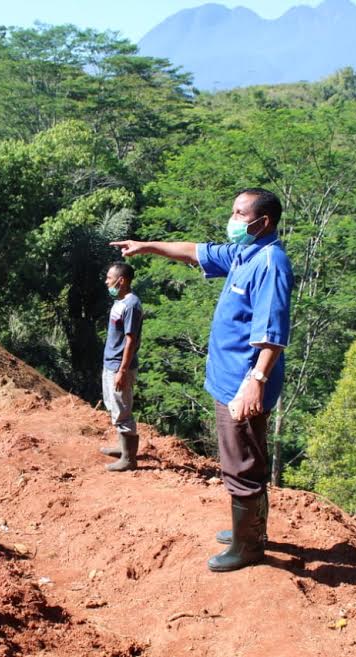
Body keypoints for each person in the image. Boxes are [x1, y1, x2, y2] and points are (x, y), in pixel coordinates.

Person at [111, 188, 293, 572]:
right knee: (248, 455)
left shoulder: (270, 262)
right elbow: (195, 250)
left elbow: (272, 333)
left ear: (265, 222)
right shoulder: (246, 252)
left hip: (241, 385)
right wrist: (147, 247)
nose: (233, 219)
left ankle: (248, 547)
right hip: (228, 378)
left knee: (240, 462)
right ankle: (250, 531)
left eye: (240, 214)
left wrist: (255, 381)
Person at [100, 261, 143, 472]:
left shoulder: (131, 305)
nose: (106, 281)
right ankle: (122, 448)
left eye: (109, 278)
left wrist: (122, 370)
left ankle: (129, 459)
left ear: (121, 280)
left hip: (120, 366)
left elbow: (131, 340)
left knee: (123, 410)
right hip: (110, 363)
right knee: (114, 406)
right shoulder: (120, 301)